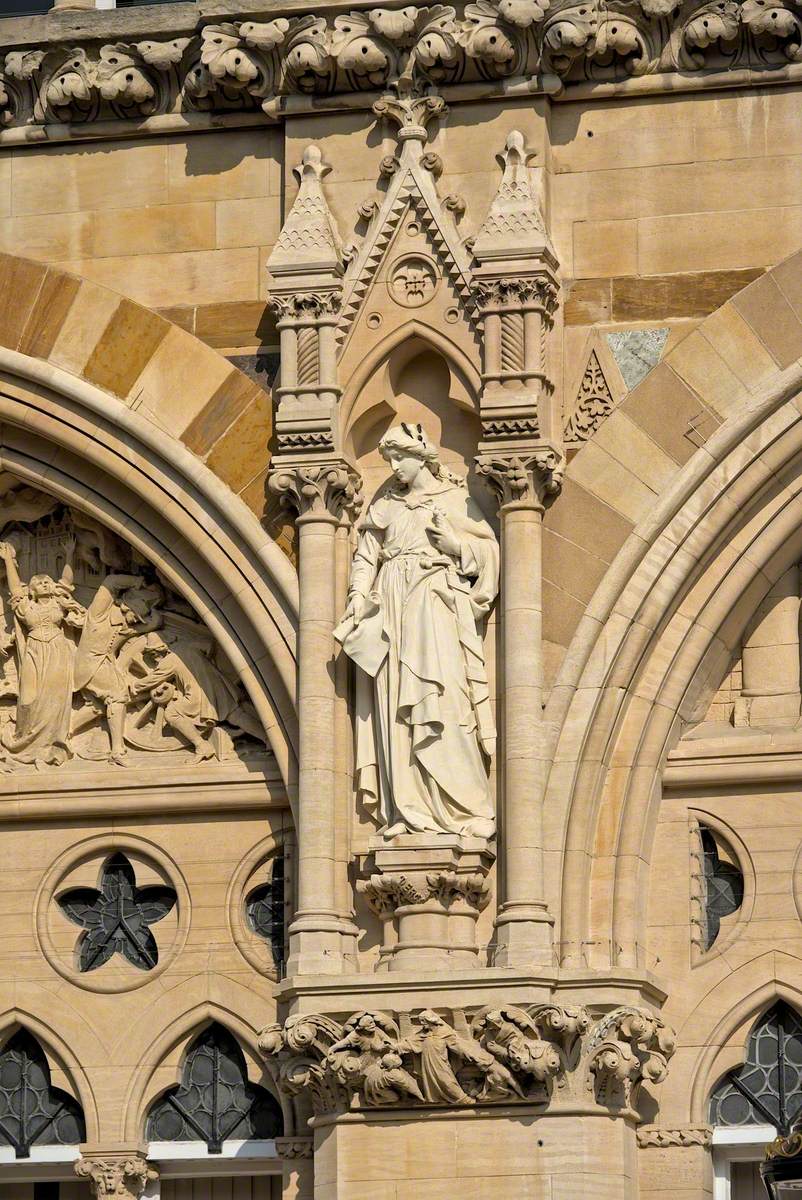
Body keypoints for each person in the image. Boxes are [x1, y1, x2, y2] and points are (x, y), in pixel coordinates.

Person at [335, 424, 498, 840]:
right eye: (388, 459)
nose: (392, 467)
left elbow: (488, 552)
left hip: (433, 602)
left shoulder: (452, 499)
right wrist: (357, 596)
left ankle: (464, 807)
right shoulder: (385, 504)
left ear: (421, 457)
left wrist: (455, 546)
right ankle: (407, 810)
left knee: (442, 698)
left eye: (398, 458)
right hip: (391, 607)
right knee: (395, 712)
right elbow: (365, 556)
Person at [0, 539, 84, 764]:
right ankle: (25, 742)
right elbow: (15, 589)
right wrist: (8, 559)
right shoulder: (26, 606)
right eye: (40, 583)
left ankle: (53, 744)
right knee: (30, 699)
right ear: (33, 590)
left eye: (47, 581)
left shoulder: (59, 604)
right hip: (35, 652)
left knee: (55, 697)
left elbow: (66, 581)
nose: (45, 584)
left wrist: (69, 554)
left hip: (58, 652)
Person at [72, 573, 161, 764]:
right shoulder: (99, 614)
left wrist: (154, 599)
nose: (137, 621)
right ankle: (118, 752)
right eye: (135, 616)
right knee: (118, 696)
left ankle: (64, 732)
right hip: (89, 665)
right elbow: (110, 582)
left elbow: (154, 624)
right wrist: (138, 581)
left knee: (98, 707)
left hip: (105, 666)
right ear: (125, 607)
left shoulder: (126, 627)